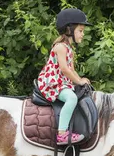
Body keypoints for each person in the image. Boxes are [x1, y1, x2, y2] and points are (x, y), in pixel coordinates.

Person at [37, 8, 92, 145]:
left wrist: (81, 80)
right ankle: (62, 134)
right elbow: (64, 69)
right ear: (69, 30)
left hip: (61, 82)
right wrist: (78, 81)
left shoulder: (69, 49)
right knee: (72, 98)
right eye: (80, 30)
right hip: (52, 83)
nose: (82, 34)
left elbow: (72, 69)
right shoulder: (60, 47)